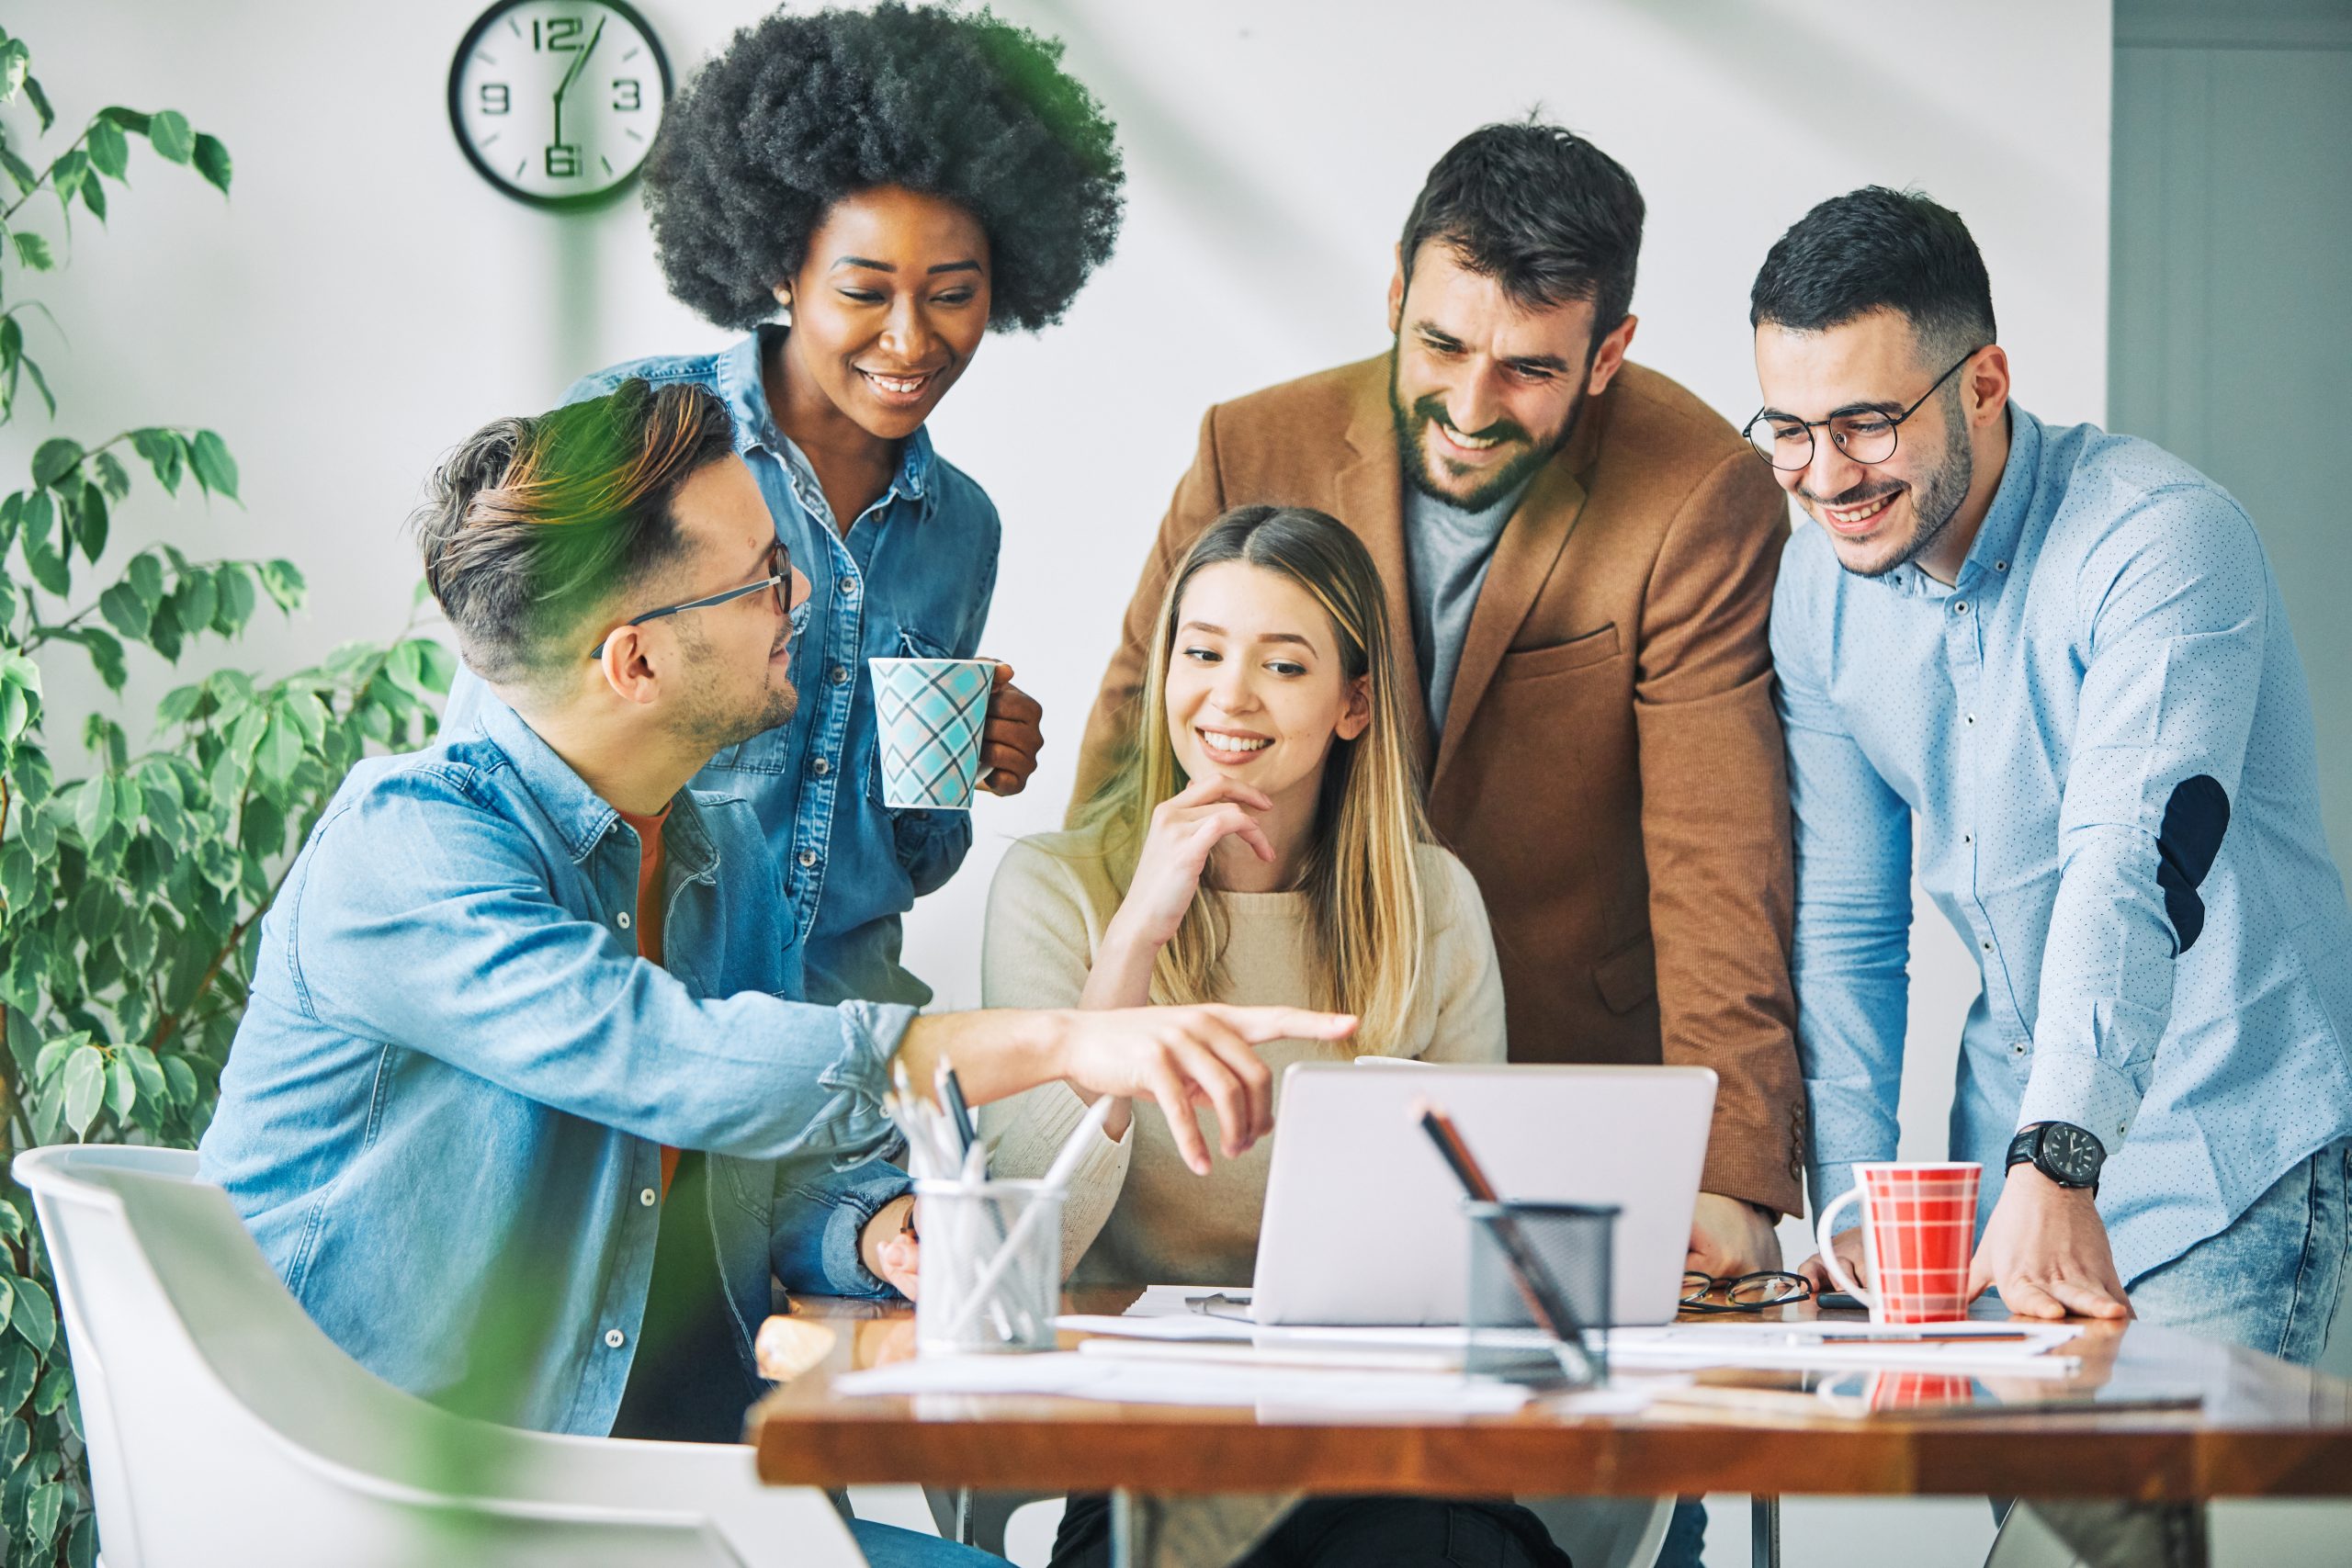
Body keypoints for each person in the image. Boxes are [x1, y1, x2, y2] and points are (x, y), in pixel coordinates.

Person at [198, 383, 1351, 1568]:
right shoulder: (406, 851)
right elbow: (661, 1056)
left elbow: (768, 1160)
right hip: (413, 1517)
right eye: (762, 579)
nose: (804, 597)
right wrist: (1064, 1041)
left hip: (671, 1505)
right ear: (634, 660)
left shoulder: (722, 855)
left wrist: (875, 1229)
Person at [1752, 186, 2352, 1361]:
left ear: (1983, 384)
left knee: (2101, 1549)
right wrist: (1846, 1204)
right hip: (2006, 1190)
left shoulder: (2161, 540)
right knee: (2031, 1544)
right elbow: (1846, 928)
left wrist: (2059, 1154)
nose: (1824, 477)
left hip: (2215, 1151)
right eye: (1788, 428)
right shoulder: (1817, 597)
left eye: (1867, 423)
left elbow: (2126, 864)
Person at [443, 1, 1125, 1008]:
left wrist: (952, 772)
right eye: (863, 291)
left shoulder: (960, 528)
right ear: (780, 269)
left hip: (840, 1031)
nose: (910, 340)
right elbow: (488, 768)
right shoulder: (639, 440)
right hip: (648, 1019)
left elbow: (902, 865)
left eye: (952, 291)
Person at [984, 504, 1552, 1568]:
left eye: (1283, 667)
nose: (1229, 698)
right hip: (1156, 1453)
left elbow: (1480, 1248)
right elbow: (1032, 1249)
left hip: (1391, 1449)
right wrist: (1137, 937)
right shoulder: (1055, 888)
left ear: (1352, 705)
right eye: (1201, 654)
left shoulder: (1430, 902)